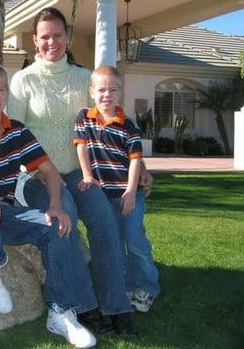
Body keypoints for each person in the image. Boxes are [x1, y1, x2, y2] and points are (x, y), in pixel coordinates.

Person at [8, 7, 143, 335]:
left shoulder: (87, 80)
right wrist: (37, 171)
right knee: (64, 217)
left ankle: (117, 306)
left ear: (67, 37)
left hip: (81, 173)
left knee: (105, 221)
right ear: (34, 41)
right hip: (38, 174)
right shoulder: (23, 81)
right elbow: (13, 135)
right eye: (44, 36)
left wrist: (140, 169)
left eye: (57, 35)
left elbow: (117, 126)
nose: (51, 42)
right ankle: (86, 306)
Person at [0, 62, 98, 349]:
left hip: (3, 215)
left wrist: (55, 205)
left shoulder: (17, 130)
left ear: (7, 93)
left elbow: (50, 171)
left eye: (0, 90)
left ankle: (60, 312)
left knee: (56, 226)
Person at [74, 65, 160, 312]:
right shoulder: (84, 118)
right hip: (103, 197)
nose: (107, 95)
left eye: (113, 89)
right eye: (101, 89)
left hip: (127, 195)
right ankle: (123, 285)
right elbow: (82, 147)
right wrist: (88, 175)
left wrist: (131, 192)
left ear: (120, 92)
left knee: (135, 241)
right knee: (115, 242)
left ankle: (146, 287)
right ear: (91, 91)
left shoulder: (128, 125)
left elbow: (134, 160)